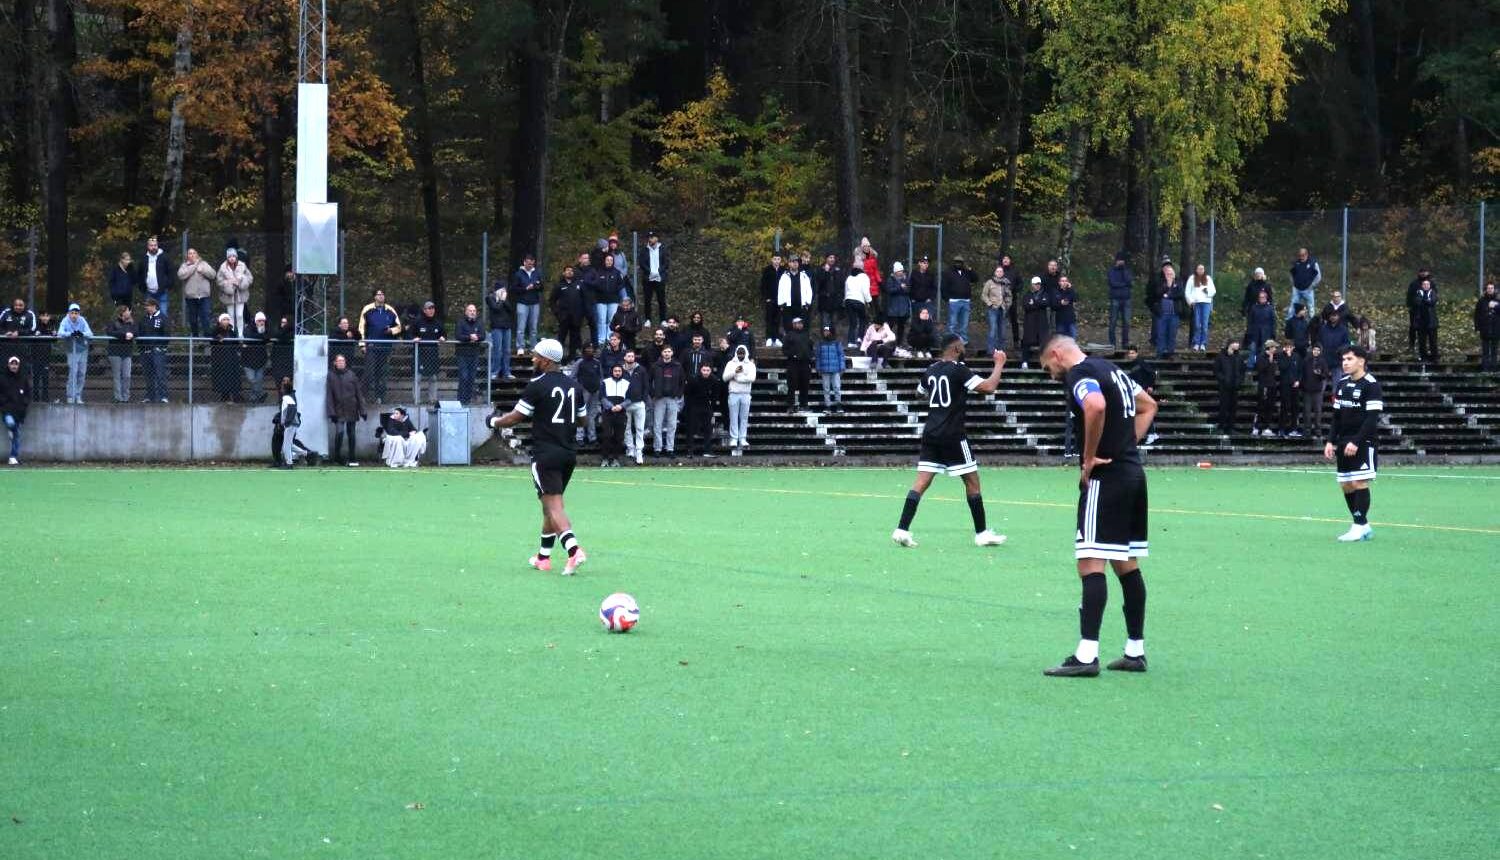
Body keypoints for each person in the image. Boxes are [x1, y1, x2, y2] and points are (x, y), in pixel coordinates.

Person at [1038, 334, 1156, 677]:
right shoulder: (1113, 370)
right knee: (1125, 563)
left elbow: (1095, 406)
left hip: (1107, 479)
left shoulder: (1079, 373)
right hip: (1134, 474)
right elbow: (1149, 405)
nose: (1051, 375)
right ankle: (1135, 651)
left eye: (1048, 369)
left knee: (1090, 562)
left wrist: (1089, 458)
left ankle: (1086, 655)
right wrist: (1125, 444)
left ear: (1058, 355)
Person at [890, 333, 1008, 549]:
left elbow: (919, 393)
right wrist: (999, 364)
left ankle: (902, 529)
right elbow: (989, 387)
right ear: (955, 349)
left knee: (921, 482)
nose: (964, 349)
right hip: (953, 434)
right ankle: (981, 533)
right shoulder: (959, 370)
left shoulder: (931, 370)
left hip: (931, 433)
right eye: (961, 346)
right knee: (972, 482)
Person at [488, 339, 590, 573]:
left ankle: (574, 550)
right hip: (568, 454)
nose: (533, 359)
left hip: (546, 454)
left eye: (535, 356)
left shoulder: (537, 385)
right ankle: (543, 558)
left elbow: (514, 417)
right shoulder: (574, 386)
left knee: (553, 506)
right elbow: (584, 420)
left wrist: (492, 421)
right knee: (551, 507)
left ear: (546, 360)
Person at [1325, 345, 1383, 542]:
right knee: (1345, 484)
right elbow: (1336, 416)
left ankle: (1358, 526)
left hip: (1364, 441)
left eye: (1349, 359)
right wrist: (1330, 441)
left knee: (1359, 482)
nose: (1345, 363)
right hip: (1343, 441)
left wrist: (1357, 441)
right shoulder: (1341, 384)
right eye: (1343, 359)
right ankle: (1363, 525)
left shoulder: (1371, 384)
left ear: (1361, 361)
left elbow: (1371, 418)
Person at [359, 289, 402, 402]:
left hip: (385, 347)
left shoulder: (390, 310)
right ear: (374, 297)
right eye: (379, 294)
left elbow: (399, 327)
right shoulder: (367, 309)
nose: (382, 296)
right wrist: (362, 344)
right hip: (372, 346)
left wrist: (391, 331)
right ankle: (363, 397)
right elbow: (361, 328)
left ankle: (380, 397)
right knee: (369, 372)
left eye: (383, 294)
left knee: (382, 373)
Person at [326, 353, 366, 466]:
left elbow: (358, 393)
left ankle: (352, 457)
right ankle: (337, 456)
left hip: (351, 409)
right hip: (338, 410)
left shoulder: (351, 375)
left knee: (352, 434)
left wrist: (362, 410)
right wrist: (331, 412)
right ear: (335, 363)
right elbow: (329, 395)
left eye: (342, 361)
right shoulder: (331, 375)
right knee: (339, 432)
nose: (341, 363)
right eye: (339, 361)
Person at [649, 345, 685, 457]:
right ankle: (657, 448)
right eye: (665, 351)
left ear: (672, 353)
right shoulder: (655, 366)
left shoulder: (678, 366)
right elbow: (649, 381)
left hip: (673, 399)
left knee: (672, 425)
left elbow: (682, 382)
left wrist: (678, 394)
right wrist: (653, 394)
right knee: (657, 424)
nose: (667, 353)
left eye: (669, 351)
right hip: (659, 399)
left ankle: (670, 448)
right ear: (662, 353)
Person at [722, 344, 756, 453]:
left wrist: (738, 378)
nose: (741, 355)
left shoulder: (750, 364)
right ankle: (734, 438)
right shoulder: (731, 364)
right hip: (733, 393)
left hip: (746, 393)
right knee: (733, 417)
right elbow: (724, 377)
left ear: (746, 353)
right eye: (739, 353)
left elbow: (752, 378)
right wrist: (734, 372)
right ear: (736, 353)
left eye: (742, 353)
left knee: (744, 417)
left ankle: (742, 438)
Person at [58, 303, 94, 405]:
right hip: (71, 351)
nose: (74, 315)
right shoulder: (65, 320)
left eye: (76, 313)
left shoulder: (82, 320)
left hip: (82, 350)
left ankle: (78, 395)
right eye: (72, 313)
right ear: (69, 313)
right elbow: (60, 333)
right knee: (73, 373)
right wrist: (70, 334)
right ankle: (70, 396)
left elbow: (90, 333)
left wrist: (82, 334)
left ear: (79, 314)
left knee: (81, 373)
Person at [412, 300, 446, 404]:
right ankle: (416, 400)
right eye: (429, 308)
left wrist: (443, 337)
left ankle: (432, 399)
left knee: (433, 378)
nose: (431, 311)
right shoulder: (417, 322)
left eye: (433, 308)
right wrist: (414, 338)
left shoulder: (438, 323)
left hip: (433, 355)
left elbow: (444, 334)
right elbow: (410, 335)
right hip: (420, 354)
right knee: (418, 378)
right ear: (424, 310)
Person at [1123, 346, 1159, 445]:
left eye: (1133, 353)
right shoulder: (1131, 365)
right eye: (1129, 353)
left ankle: (1152, 433)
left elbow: (1152, 373)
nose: (1131, 355)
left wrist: (1150, 385)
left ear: (1137, 353)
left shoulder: (1141, 363)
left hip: (1142, 391)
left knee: (1145, 411)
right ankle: (1147, 433)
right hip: (1136, 392)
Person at [550, 265, 586, 361]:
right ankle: (558, 358)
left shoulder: (578, 284)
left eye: (571, 270)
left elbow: (584, 299)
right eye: (567, 270)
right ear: (564, 273)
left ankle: (572, 358)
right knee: (561, 338)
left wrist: (582, 313)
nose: (570, 272)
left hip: (576, 317)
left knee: (574, 339)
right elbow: (552, 300)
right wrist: (557, 313)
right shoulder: (559, 285)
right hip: (564, 317)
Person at [178, 248, 217, 337]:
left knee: (205, 318)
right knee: (193, 320)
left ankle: (207, 339)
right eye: (190, 253)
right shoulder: (185, 265)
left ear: (197, 255)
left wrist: (203, 270)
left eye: (193, 253)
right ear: (187, 256)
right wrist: (194, 266)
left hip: (204, 297)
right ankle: (195, 339)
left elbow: (213, 275)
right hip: (191, 297)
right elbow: (181, 275)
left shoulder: (204, 264)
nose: (192, 255)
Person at [598, 362, 630, 467]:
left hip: (621, 413)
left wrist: (621, 406)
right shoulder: (605, 382)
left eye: (619, 371)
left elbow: (630, 398)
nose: (617, 373)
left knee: (619, 437)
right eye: (615, 371)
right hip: (608, 413)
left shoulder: (627, 383)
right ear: (612, 372)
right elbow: (602, 397)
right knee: (606, 436)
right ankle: (605, 459)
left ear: (622, 372)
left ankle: (616, 459)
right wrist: (611, 407)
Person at [683, 362, 719, 457]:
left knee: (708, 429)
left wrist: (712, 406)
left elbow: (715, 395)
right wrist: (689, 406)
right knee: (691, 428)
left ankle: (707, 450)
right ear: (700, 370)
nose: (706, 372)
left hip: (707, 405)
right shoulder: (693, 379)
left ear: (711, 370)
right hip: (694, 405)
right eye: (704, 370)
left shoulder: (714, 380)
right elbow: (687, 393)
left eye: (708, 370)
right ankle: (689, 451)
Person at [620, 350, 649, 465]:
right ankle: (630, 448)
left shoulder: (641, 370)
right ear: (625, 357)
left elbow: (646, 386)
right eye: (629, 356)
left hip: (639, 403)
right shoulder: (620, 370)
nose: (631, 358)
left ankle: (639, 451)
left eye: (632, 356)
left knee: (640, 428)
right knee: (626, 428)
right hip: (625, 404)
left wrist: (644, 399)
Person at [1148, 262, 1183, 358]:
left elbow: (1180, 295)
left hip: (1174, 314)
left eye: (1171, 274)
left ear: (1174, 274)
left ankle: (1170, 354)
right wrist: (1167, 285)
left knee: (1172, 335)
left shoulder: (1178, 282)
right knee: (1161, 334)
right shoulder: (1160, 282)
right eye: (1167, 274)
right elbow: (1157, 293)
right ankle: (1160, 354)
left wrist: (1169, 295)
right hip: (1162, 314)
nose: (1169, 275)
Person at [139, 296, 169, 403]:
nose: (146, 308)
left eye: (147, 306)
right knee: (148, 375)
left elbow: (166, 334)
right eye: (145, 306)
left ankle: (163, 396)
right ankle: (149, 396)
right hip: (145, 351)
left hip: (158, 352)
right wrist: (141, 348)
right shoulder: (144, 319)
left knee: (160, 374)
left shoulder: (163, 318)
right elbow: (140, 334)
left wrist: (161, 348)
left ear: (154, 306)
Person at [511, 254, 544, 352]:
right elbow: (514, 288)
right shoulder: (518, 274)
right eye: (527, 263)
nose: (529, 265)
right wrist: (525, 288)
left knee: (533, 327)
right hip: (522, 303)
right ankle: (520, 346)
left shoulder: (537, 273)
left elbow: (542, 286)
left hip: (534, 303)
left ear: (533, 263)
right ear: (524, 262)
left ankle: (533, 346)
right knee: (521, 327)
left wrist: (536, 286)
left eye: (531, 263)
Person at [217, 248, 253, 335]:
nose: (232, 258)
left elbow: (250, 278)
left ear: (236, 257)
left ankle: (240, 334)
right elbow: (219, 281)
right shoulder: (223, 267)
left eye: (233, 256)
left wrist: (241, 282)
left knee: (240, 315)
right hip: (229, 295)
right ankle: (231, 333)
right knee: (231, 315)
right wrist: (228, 283)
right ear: (227, 258)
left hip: (241, 294)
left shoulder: (242, 265)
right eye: (229, 256)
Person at [941, 257, 976, 346]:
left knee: (964, 323)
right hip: (954, 301)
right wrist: (947, 298)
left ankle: (963, 341)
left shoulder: (966, 272)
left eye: (960, 262)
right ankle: (951, 341)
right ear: (953, 263)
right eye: (956, 262)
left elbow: (976, 279)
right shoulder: (948, 272)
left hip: (966, 301)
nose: (958, 264)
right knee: (952, 323)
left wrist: (970, 270)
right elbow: (943, 286)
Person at [105, 305, 137, 402]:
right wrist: (124, 335)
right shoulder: (113, 322)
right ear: (122, 312)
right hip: (115, 352)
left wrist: (132, 334)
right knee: (117, 376)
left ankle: (126, 397)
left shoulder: (132, 323)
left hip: (127, 352)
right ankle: (118, 397)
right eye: (127, 310)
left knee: (126, 376)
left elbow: (136, 331)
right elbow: (110, 332)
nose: (129, 312)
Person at [782, 316, 814, 412]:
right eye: (797, 323)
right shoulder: (789, 335)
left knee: (805, 385)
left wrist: (809, 356)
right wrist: (793, 355)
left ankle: (803, 404)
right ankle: (791, 405)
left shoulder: (806, 335)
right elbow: (784, 350)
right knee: (792, 384)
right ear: (793, 325)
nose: (799, 325)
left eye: (800, 323)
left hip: (805, 363)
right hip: (793, 363)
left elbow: (810, 347)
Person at [453, 304, 484, 403]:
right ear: (466, 312)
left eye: (474, 310)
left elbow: (483, 335)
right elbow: (458, 335)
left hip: (474, 354)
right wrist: (469, 337)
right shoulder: (460, 322)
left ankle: (467, 400)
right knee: (464, 377)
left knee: (471, 377)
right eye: (470, 310)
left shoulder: (479, 323)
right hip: (462, 354)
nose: (472, 312)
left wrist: (477, 337)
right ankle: (460, 400)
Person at [1, 354, 29, 465]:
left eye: (15, 364)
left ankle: (13, 457)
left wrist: (24, 404)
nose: (14, 366)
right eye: (12, 364)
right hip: (7, 409)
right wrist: (4, 402)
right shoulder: (2, 378)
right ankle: (10, 430)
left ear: (18, 366)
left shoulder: (23, 378)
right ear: (8, 365)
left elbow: (28, 393)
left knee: (16, 435)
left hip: (19, 411)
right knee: (11, 424)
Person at [638, 231, 670, 325]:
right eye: (649, 237)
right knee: (647, 299)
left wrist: (659, 271)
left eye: (652, 237)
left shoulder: (663, 249)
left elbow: (666, 263)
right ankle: (648, 319)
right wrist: (650, 271)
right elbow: (642, 263)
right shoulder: (644, 250)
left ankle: (663, 319)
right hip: (648, 278)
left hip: (660, 278)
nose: (650, 239)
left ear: (657, 238)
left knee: (661, 299)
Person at [485, 280, 515, 380]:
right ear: (497, 290)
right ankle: (494, 371)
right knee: (497, 350)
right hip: (496, 327)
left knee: (507, 350)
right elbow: (496, 309)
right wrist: (501, 300)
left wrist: (504, 300)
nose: (504, 291)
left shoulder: (505, 299)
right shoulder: (490, 298)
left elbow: (511, 310)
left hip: (507, 327)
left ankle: (507, 372)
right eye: (502, 289)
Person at [1213, 340, 1244, 433]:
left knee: (1233, 408)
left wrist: (1239, 381)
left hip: (1235, 386)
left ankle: (1231, 427)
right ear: (1230, 344)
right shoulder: (1221, 356)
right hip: (1224, 386)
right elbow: (1216, 370)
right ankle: (1221, 426)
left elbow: (1242, 371)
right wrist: (1223, 379)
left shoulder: (1238, 357)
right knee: (1223, 406)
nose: (1238, 345)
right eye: (1236, 343)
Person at [240, 313, 272, 403]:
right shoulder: (249, 327)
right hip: (247, 360)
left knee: (259, 379)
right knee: (252, 379)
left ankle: (253, 398)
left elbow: (268, 337)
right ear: (255, 321)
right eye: (259, 320)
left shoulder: (266, 328)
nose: (261, 322)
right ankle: (261, 394)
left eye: (263, 320)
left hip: (261, 360)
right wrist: (261, 337)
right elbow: (248, 336)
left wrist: (261, 335)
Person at [1020, 277, 1050, 369]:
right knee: (1026, 342)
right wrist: (1038, 304)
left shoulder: (1045, 294)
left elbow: (1046, 303)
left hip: (1042, 323)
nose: (1037, 286)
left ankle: (1044, 362)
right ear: (1032, 285)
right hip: (1030, 323)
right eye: (1036, 284)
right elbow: (1026, 306)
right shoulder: (1027, 295)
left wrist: (1034, 303)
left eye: (1039, 284)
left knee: (1044, 343)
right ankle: (1025, 361)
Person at [209, 314, 240, 401]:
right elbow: (212, 339)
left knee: (232, 377)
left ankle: (235, 396)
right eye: (224, 319)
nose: (226, 321)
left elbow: (236, 343)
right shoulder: (216, 331)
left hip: (231, 358)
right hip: (220, 359)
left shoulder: (232, 332)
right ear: (220, 321)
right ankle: (224, 396)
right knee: (222, 377)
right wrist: (218, 338)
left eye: (227, 319)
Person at [1184, 264, 1216, 351]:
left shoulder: (1208, 278)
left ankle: (1203, 343)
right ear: (1196, 269)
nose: (1201, 270)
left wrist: (1207, 292)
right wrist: (1190, 302)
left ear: (1204, 270)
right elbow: (1187, 291)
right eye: (1199, 268)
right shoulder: (1192, 278)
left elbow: (1213, 291)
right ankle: (1196, 343)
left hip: (1206, 304)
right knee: (1197, 324)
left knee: (1205, 325)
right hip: (1196, 303)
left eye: (1202, 269)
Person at [981, 265, 1012, 353]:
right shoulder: (989, 283)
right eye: (998, 271)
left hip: (1003, 309)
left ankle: (1001, 350)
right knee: (993, 329)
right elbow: (984, 295)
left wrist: (1008, 305)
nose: (999, 273)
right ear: (995, 273)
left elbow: (1009, 295)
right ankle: (991, 350)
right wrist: (989, 303)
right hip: (993, 309)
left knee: (1002, 331)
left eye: (1001, 271)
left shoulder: (1006, 283)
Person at [274, 377, 303, 468]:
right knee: (289, 444)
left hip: (290, 424)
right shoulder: (290, 395)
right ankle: (307, 454)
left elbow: (292, 409)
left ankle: (289, 463)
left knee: (286, 446)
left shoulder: (287, 397)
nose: (281, 389)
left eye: (282, 388)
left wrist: (287, 422)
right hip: (291, 423)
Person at [136, 235, 172, 308]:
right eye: (151, 245)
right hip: (148, 292)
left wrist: (167, 284)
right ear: (148, 246)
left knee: (163, 314)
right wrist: (142, 286)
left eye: (155, 245)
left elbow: (170, 272)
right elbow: (140, 273)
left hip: (162, 291)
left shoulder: (164, 257)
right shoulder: (144, 259)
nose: (153, 247)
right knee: (150, 314)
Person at [1252, 339, 1279, 437]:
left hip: (1272, 385)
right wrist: (1269, 361)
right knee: (1261, 406)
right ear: (1270, 348)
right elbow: (1260, 369)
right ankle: (1256, 427)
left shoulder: (1275, 357)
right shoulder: (1261, 357)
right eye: (1274, 347)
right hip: (1263, 385)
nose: (1275, 349)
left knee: (1270, 407)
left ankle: (1266, 427)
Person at [1243, 289, 1276, 370]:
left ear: (1266, 298)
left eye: (1264, 297)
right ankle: (1250, 368)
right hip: (1254, 333)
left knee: (1263, 351)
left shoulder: (1270, 308)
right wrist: (1249, 332)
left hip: (1266, 333)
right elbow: (1250, 321)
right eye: (1260, 297)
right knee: (1252, 350)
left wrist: (1273, 333)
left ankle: (1261, 367)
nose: (1262, 299)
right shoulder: (1254, 308)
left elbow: (1273, 322)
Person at [816, 324, 845, 413]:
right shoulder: (820, 343)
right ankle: (827, 406)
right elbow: (818, 357)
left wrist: (842, 367)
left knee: (837, 387)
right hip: (824, 369)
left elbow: (841, 355)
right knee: (826, 388)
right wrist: (818, 368)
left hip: (835, 369)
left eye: (827, 331)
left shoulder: (837, 343)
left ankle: (839, 405)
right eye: (824, 331)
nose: (825, 332)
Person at [1107, 252, 1133, 347]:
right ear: (1116, 261)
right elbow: (1113, 283)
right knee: (1113, 322)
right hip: (1115, 299)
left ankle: (1125, 343)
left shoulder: (1127, 270)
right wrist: (1124, 284)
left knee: (1126, 322)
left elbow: (1129, 282)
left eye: (1122, 260)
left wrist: (1123, 271)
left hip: (1126, 299)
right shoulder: (1111, 271)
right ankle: (1112, 343)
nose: (1121, 262)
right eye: (1119, 260)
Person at [1302, 342, 1328, 438]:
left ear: (1320, 351)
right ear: (1312, 350)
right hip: (1307, 389)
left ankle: (1318, 430)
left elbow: (1325, 374)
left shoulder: (1323, 361)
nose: (1316, 352)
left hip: (1317, 390)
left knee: (1318, 411)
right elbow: (1302, 374)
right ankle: (1307, 429)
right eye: (1314, 350)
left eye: (1318, 350)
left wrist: (1319, 374)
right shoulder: (1306, 360)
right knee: (1307, 411)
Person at [843, 262, 872, 349]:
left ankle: (851, 342)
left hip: (848, 300)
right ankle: (860, 338)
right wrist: (869, 302)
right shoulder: (864, 277)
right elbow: (865, 291)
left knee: (852, 322)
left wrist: (845, 300)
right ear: (862, 268)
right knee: (863, 319)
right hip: (859, 301)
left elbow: (846, 290)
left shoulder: (849, 277)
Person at [1277, 342, 1303, 437]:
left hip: (1295, 385)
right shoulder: (1281, 356)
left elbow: (1300, 370)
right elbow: (1282, 367)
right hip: (1285, 385)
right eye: (1287, 347)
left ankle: (1294, 428)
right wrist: (1288, 357)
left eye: (1290, 347)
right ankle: (1281, 428)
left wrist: (1298, 381)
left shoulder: (1297, 356)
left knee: (1295, 407)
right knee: (1285, 406)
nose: (1289, 349)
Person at [1288, 247, 1321, 320]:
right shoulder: (1296, 263)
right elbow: (1291, 274)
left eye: (1303, 255)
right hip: (1296, 289)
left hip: (1308, 290)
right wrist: (1293, 284)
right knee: (1292, 308)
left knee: (1311, 310)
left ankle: (1312, 327)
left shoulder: (1313, 263)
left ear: (1307, 254)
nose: (1301, 257)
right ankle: (1289, 325)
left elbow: (1318, 277)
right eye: (1300, 255)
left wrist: (1312, 286)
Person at [1410, 278, 1439, 362]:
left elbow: (1433, 302)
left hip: (1431, 322)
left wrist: (1424, 301)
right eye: (1424, 284)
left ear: (1429, 286)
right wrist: (1426, 301)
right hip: (1421, 322)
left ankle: (1435, 357)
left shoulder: (1432, 292)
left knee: (1433, 341)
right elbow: (1417, 302)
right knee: (1422, 341)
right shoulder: (1418, 292)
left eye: (1427, 284)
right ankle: (1423, 357)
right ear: (1422, 286)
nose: (1426, 286)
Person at [1404, 267, 1432, 354]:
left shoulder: (1431, 283)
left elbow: (1434, 295)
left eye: (1425, 272)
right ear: (1419, 273)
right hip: (1415, 310)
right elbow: (1409, 295)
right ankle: (1411, 345)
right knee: (1413, 327)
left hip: (1427, 310)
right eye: (1422, 272)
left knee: (1428, 328)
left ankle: (1427, 346)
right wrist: (1410, 306)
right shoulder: (1414, 283)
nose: (1423, 274)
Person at [883, 261, 912, 345]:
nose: (901, 272)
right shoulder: (890, 279)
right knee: (890, 326)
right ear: (895, 272)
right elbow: (890, 290)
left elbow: (908, 290)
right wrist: (900, 287)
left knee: (901, 327)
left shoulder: (906, 279)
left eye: (901, 271)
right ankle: (885, 342)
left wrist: (903, 289)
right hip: (893, 309)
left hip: (903, 308)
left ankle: (899, 343)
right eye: (899, 271)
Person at [760, 253, 785, 348]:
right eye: (775, 259)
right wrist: (766, 298)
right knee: (769, 319)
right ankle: (769, 338)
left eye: (778, 259)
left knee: (777, 320)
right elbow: (763, 285)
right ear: (772, 260)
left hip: (780, 299)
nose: (776, 261)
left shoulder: (783, 270)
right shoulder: (767, 270)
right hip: (770, 299)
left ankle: (777, 338)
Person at [1476, 280, 1500, 372]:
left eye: (1491, 288)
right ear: (1486, 290)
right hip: (1485, 329)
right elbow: (1477, 314)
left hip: (1496, 329)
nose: (1490, 290)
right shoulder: (1481, 301)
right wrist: (1477, 327)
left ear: (1494, 289)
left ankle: (1494, 368)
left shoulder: (1498, 300)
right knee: (1485, 350)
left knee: (1494, 350)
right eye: (1488, 288)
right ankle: (1485, 368)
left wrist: (1495, 306)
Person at [1053, 276, 1079, 340]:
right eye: (1062, 281)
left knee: (1073, 337)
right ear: (1059, 283)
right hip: (1060, 320)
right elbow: (1054, 304)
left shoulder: (1070, 291)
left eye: (1065, 281)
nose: (1064, 282)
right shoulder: (1056, 292)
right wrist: (1060, 303)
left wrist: (1070, 289)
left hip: (1070, 319)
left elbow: (1075, 298)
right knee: (1060, 339)